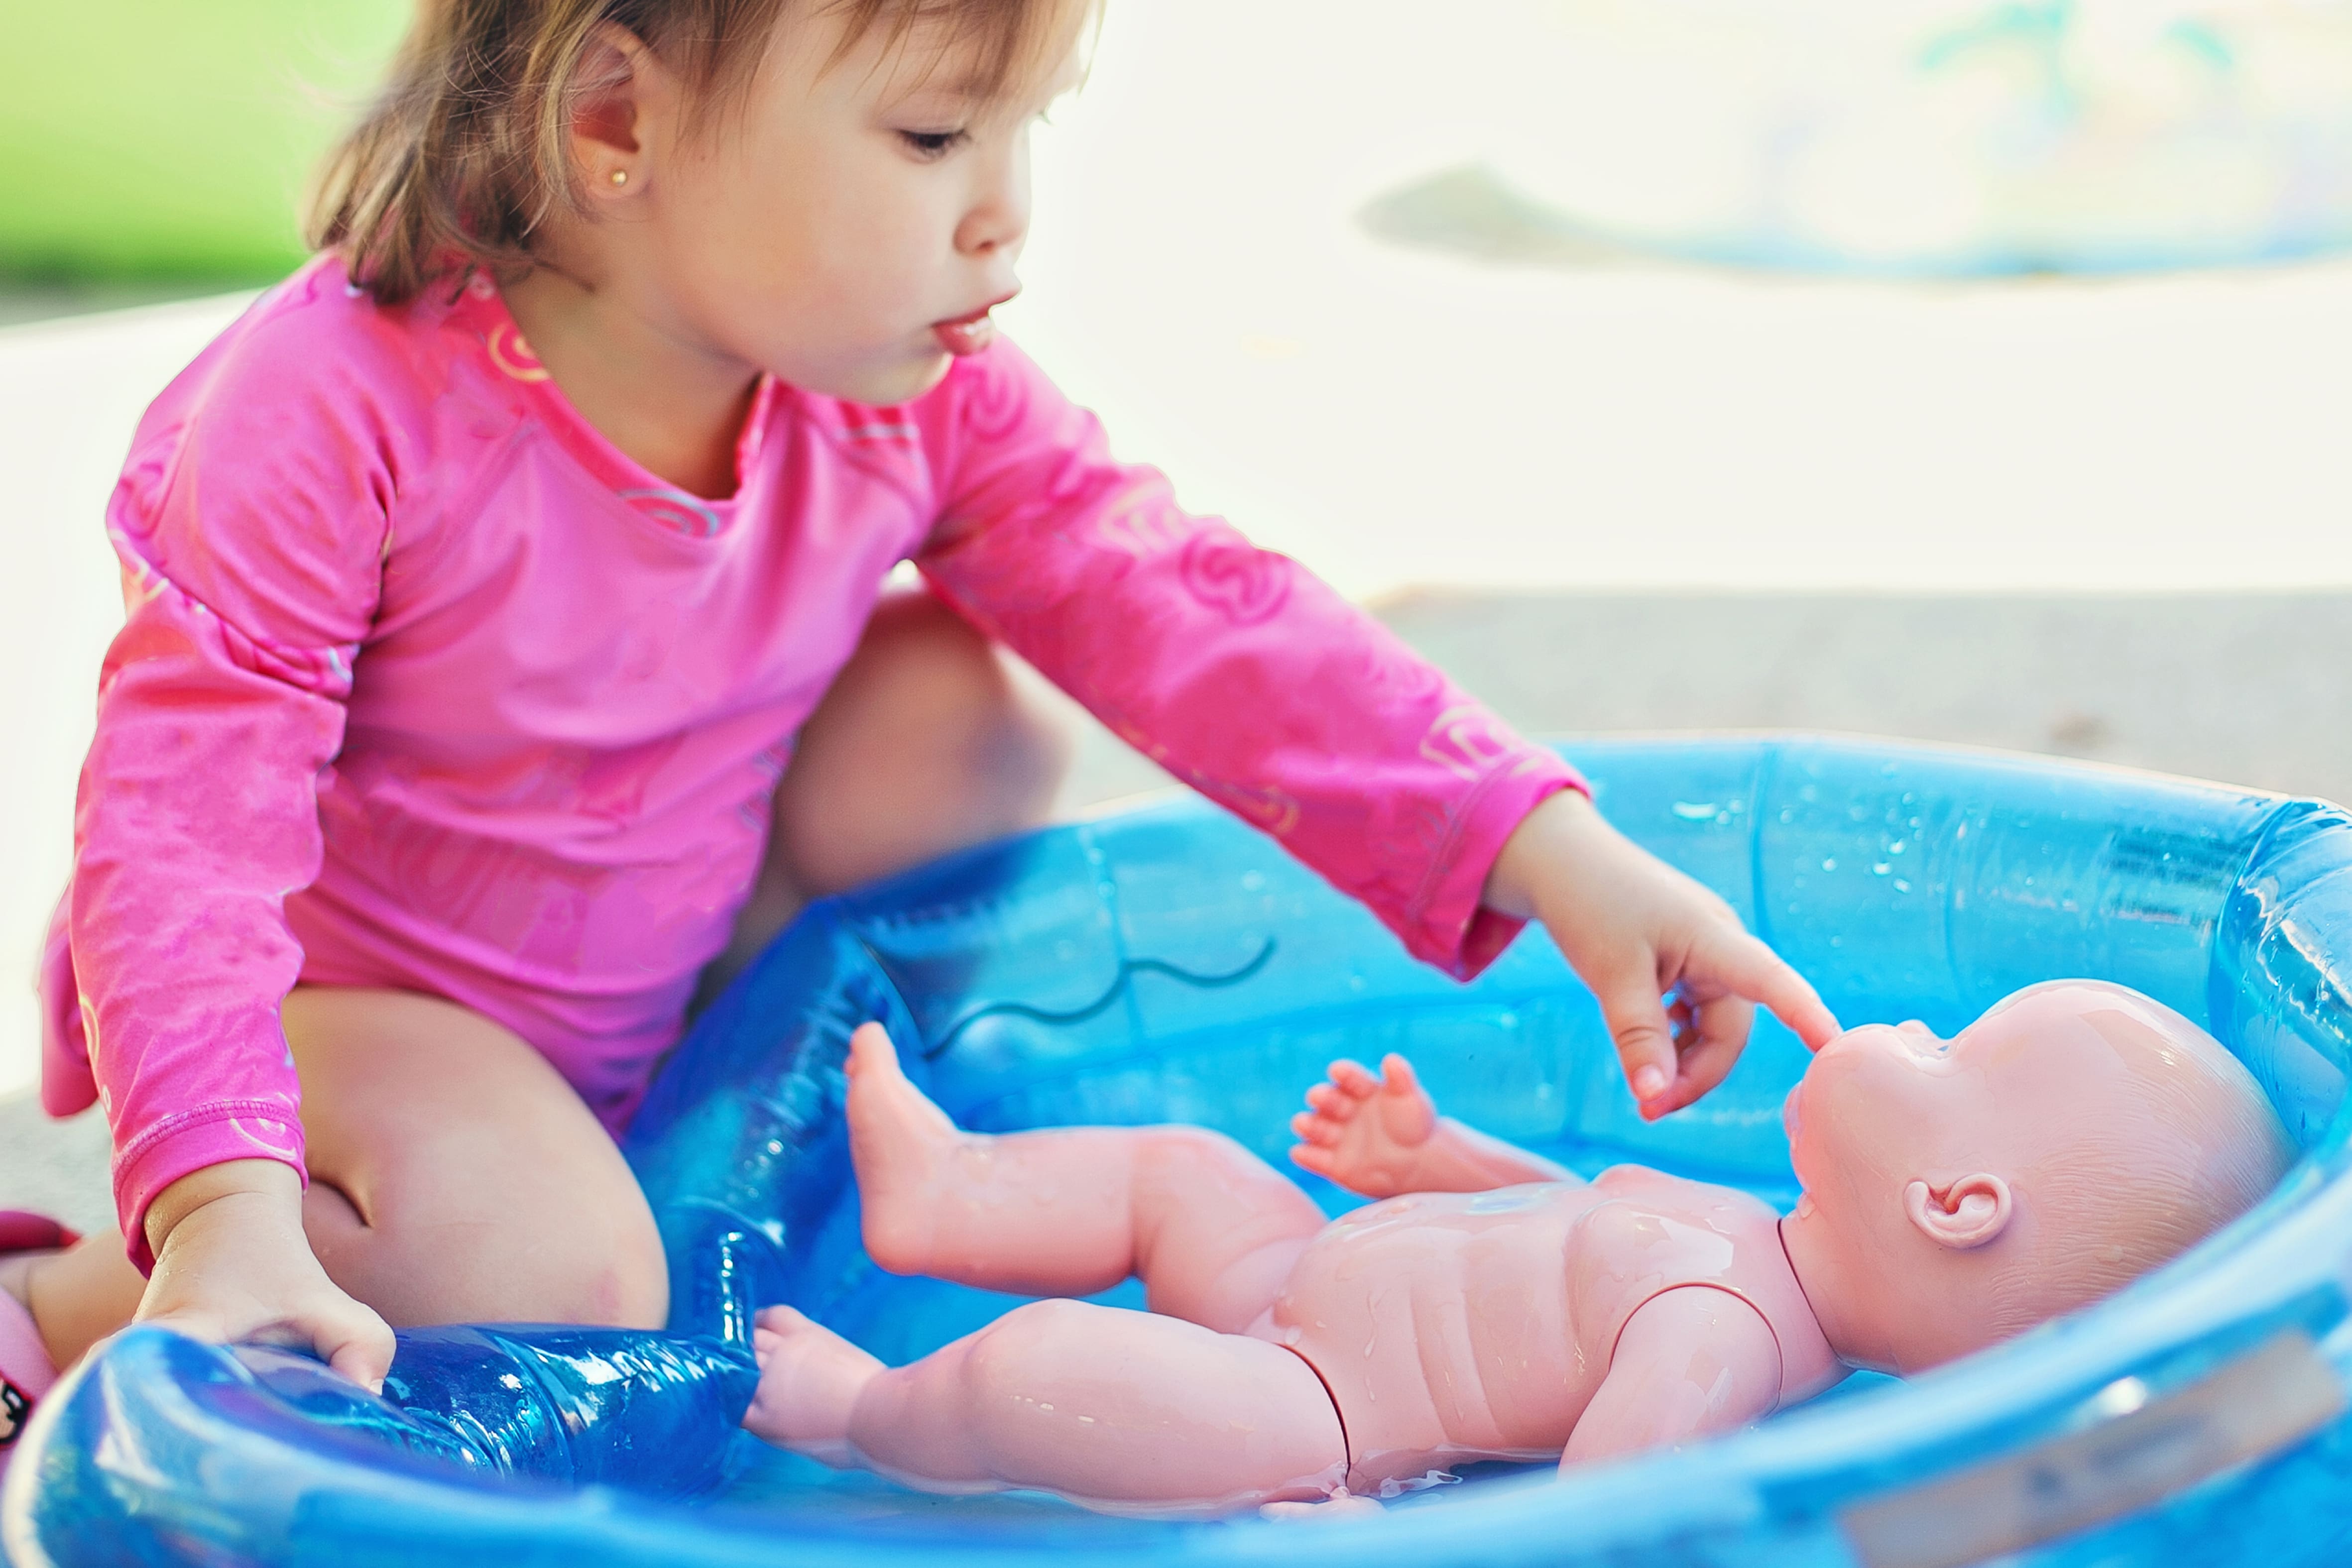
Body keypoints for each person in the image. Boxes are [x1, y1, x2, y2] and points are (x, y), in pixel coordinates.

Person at [0, 0, 1836, 1473]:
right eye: (936, 134)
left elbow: (1185, 605)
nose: (1006, 210)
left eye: (1026, 127)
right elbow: (177, 828)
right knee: (551, 1279)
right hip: (362, 1020)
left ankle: (703, 1111)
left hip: (666, 961)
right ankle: (66, 1304)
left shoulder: (907, 396)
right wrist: (223, 1195)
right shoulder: (325, 411)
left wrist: (1553, 852)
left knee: (951, 710)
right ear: (615, 124)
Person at [745, 983, 2294, 1517]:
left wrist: (1390, 1541)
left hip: (1313, 1418)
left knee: (1045, 1372)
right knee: (1190, 1171)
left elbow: (1601, 1510)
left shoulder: (1721, 1341)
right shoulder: (1740, 1237)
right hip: (1305, 1285)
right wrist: (1438, 1167)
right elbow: (1566, 1221)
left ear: (1955, 1203)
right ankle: (943, 1198)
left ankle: (854, 1417)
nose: (1905, 1024)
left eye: (1947, 1045)